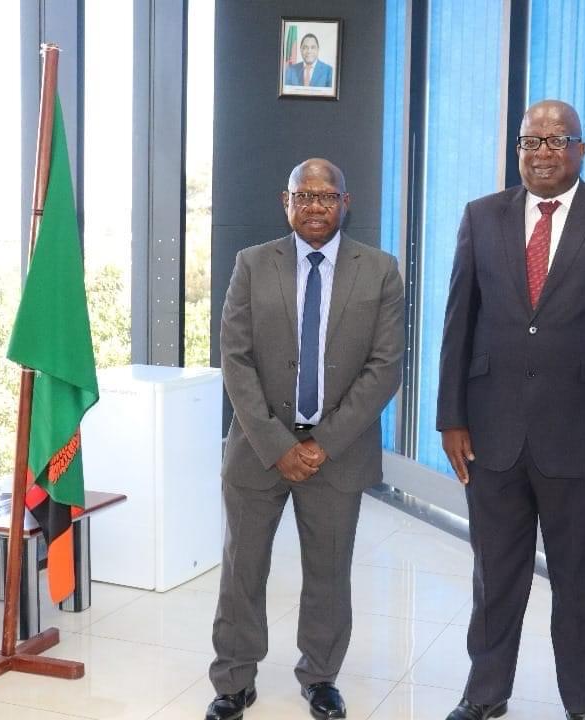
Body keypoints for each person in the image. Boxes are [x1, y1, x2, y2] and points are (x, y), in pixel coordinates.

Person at [436, 100, 585, 720]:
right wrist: (451, 417)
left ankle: (584, 705)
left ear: (580, 150)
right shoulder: (481, 216)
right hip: (491, 433)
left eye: (557, 141)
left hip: (580, 438)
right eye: (531, 142)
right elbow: (458, 323)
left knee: (580, 582)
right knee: (494, 578)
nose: (542, 153)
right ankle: (485, 695)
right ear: (518, 150)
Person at [206, 158, 404, 720]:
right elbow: (235, 359)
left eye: (327, 196)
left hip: (338, 453)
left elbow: (384, 368)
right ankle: (234, 681)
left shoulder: (380, 270)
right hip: (257, 448)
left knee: (328, 572)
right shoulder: (251, 264)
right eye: (304, 196)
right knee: (242, 569)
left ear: (346, 202)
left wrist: (321, 444)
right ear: (286, 201)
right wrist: (278, 446)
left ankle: (320, 677)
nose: (315, 206)